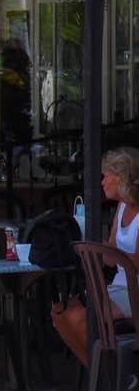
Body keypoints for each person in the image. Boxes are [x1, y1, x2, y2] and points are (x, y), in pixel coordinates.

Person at [50, 148, 139, 370]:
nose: (102, 182)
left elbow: (136, 263)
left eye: (106, 176)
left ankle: (113, 379)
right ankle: (104, 377)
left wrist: (104, 253)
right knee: (60, 311)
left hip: (135, 290)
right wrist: (87, 249)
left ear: (122, 177)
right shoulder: (121, 206)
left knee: (80, 317)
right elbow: (109, 257)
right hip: (119, 287)